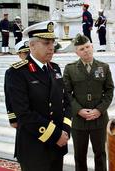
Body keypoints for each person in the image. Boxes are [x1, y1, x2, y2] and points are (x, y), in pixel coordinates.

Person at [4, 21, 71, 171]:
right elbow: (24, 114)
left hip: (57, 146)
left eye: (53, 42)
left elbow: (66, 102)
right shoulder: (16, 73)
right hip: (34, 148)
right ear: (32, 46)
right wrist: (56, 135)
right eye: (46, 42)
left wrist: (65, 131)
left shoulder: (55, 68)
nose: (51, 47)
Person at [63, 33, 114, 171]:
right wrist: (78, 110)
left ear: (92, 46)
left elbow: (109, 91)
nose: (86, 50)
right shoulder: (70, 69)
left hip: (100, 119)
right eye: (81, 49)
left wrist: (99, 110)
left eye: (87, 47)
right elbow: (66, 93)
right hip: (79, 121)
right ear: (76, 52)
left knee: (100, 154)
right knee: (80, 156)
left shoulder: (103, 67)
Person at [5, 39, 30, 129]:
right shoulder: (14, 72)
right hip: (23, 117)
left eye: (30, 52)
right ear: (19, 55)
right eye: (26, 53)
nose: (29, 56)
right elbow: (9, 96)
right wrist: (12, 119)